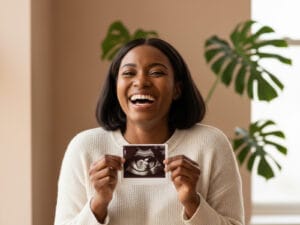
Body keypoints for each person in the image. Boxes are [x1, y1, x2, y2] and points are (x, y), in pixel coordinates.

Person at [54, 38, 245, 225]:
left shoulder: (210, 144)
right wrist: (98, 204)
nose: (141, 81)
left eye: (156, 72)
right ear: (116, 87)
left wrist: (192, 202)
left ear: (177, 89)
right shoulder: (84, 148)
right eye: (129, 73)